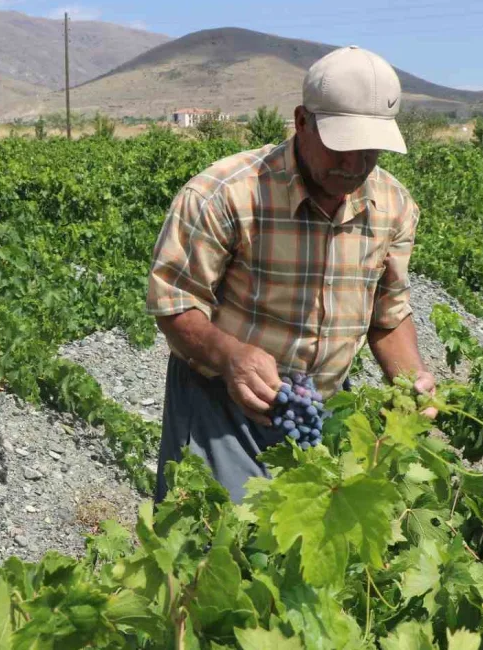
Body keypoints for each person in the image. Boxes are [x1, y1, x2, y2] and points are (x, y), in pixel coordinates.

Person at [147, 46, 436, 504]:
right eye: (343, 145)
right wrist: (231, 357)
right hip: (219, 404)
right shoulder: (224, 194)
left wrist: (412, 379)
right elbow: (174, 303)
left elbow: (389, 313)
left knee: (299, 558)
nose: (356, 165)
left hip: (316, 411)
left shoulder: (394, 206)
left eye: (371, 150)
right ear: (302, 121)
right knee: (216, 551)